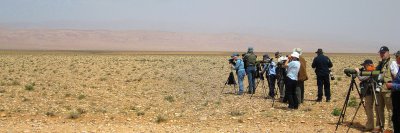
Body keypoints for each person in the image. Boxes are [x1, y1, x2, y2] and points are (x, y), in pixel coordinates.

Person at [375, 46, 395, 132]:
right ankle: (379, 126)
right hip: (379, 89)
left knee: (390, 109)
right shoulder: (380, 64)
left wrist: (393, 85)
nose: (382, 54)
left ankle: (390, 128)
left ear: (388, 52)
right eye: (381, 53)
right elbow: (376, 73)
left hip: (388, 90)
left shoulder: (392, 63)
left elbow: (396, 76)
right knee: (378, 108)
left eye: (383, 53)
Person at [355, 59, 378, 131]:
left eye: (365, 66)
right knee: (375, 109)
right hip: (373, 91)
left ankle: (370, 126)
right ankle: (376, 126)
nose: (364, 68)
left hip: (369, 92)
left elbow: (361, 78)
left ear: (368, 65)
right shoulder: (374, 70)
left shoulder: (371, 71)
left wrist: (358, 72)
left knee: (369, 108)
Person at [386, 50, 400, 133]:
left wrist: (392, 85)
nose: (396, 59)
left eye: (397, 57)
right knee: (395, 117)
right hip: (396, 95)